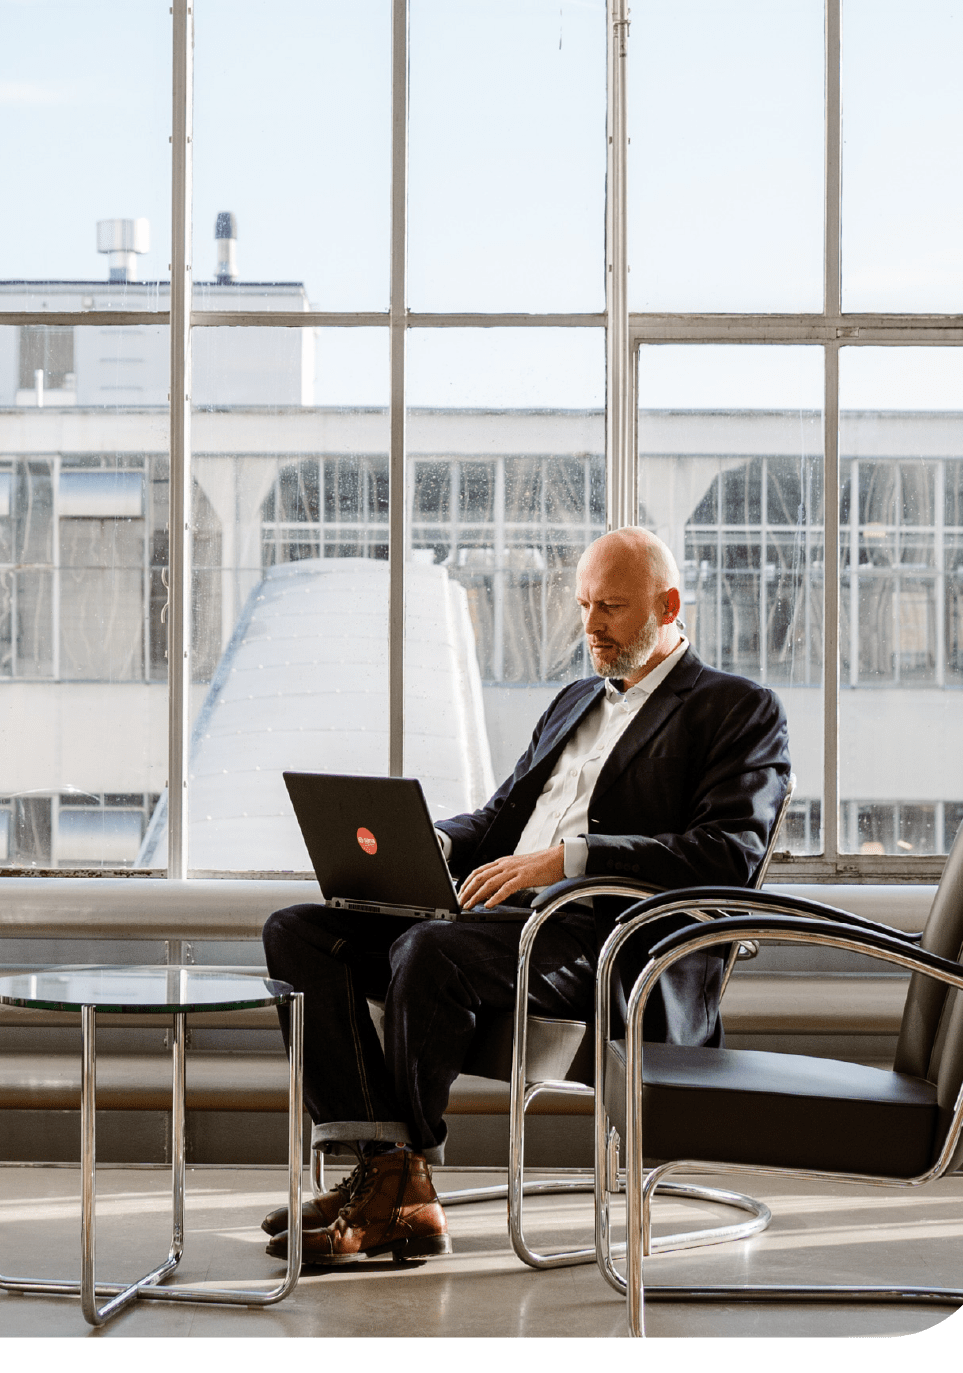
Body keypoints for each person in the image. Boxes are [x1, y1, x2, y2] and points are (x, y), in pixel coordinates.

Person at [261, 527, 791, 1265]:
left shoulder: (736, 709)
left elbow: (728, 855)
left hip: (611, 945)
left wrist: (568, 859)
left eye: (611, 606)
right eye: (583, 606)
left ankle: (395, 1194)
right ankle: (386, 1174)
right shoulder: (575, 700)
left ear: (668, 604)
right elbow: (502, 815)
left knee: (430, 949)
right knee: (298, 933)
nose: (591, 626)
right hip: (507, 929)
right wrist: (434, 844)